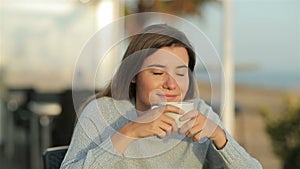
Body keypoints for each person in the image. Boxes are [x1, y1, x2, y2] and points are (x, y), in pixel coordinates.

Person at [61, 24, 262, 168]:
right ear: (133, 75)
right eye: (158, 73)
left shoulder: (199, 112)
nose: (171, 84)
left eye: (181, 73)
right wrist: (129, 132)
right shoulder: (102, 111)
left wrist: (220, 137)